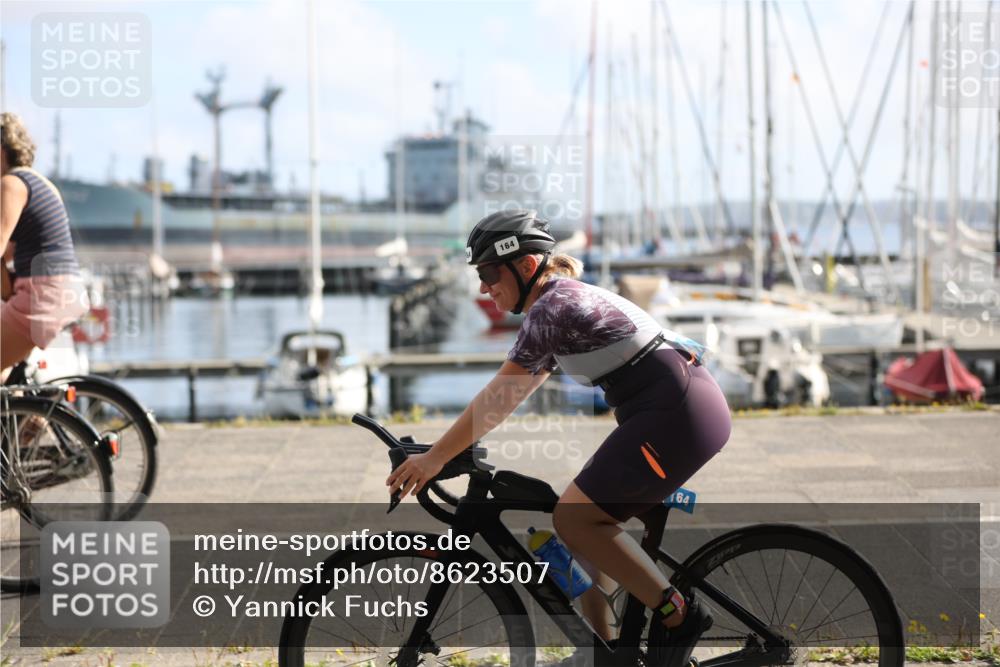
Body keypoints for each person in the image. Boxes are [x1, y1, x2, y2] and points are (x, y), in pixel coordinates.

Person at [387, 209, 732, 664]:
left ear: (525, 266)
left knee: (575, 518)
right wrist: (442, 449)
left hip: (676, 413)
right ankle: (601, 651)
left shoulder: (553, 307)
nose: (483, 287)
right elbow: (512, 392)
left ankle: (680, 614)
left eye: (489, 273)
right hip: (672, 409)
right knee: (579, 523)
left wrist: (435, 458)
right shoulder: (554, 302)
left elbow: (501, 396)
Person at [1, 112, 88, 377]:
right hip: (62, 291)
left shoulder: (11, 184)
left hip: (42, 295)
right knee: (8, 381)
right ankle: (32, 418)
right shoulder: (42, 184)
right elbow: (7, 255)